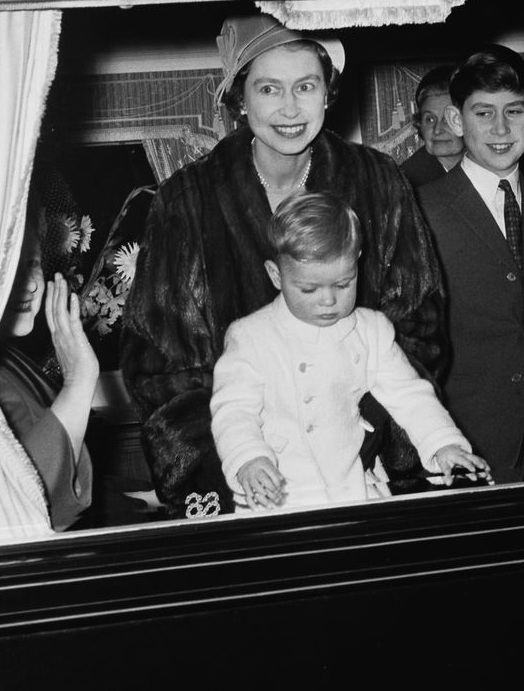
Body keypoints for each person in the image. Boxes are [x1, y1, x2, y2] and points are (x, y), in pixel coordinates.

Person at [121, 12, 447, 515]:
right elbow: (162, 363)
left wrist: (372, 438)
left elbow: (418, 328)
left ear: (327, 93)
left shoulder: (378, 181)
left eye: (306, 86)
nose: (290, 108)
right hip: (237, 487)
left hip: (361, 476)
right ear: (240, 98)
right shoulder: (188, 199)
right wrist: (219, 473)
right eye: (269, 89)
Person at [210, 191, 489, 511]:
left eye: (343, 284)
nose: (328, 300)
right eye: (309, 289)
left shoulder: (370, 330)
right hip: (276, 494)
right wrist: (248, 459)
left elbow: (410, 396)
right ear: (276, 275)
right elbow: (234, 412)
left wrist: (444, 443)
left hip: (352, 488)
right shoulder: (252, 336)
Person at [417, 45, 524, 483]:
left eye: (514, 111)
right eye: (483, 113)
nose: (501, 127)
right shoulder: (420, 211)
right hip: (466, 443)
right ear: (457, 120)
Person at [0, 220, 100, 531]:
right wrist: (79, 380)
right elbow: (30, 502)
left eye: (32, 263)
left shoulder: (5, 358)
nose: (32, 284)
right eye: (7, 263)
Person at [400, 64, 465, 188]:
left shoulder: (492, 167)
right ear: (420, 125)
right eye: (430, 119)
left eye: (448, 119)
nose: (437, 130)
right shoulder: (406, 184)